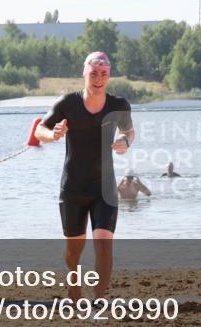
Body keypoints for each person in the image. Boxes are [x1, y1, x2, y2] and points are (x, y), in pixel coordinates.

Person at [35, 51, 134, 301]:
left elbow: (129, 131)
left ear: (109, 76)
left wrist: (125, 141)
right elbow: (39, 130)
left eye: (104, 74)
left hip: (104, 187)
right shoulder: (68, 103)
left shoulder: (119, 105)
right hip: (73, 187)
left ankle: (99, 299)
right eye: (94, 73)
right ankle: (74, 281)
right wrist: (53, 135)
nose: (98, 79)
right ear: (84, 73)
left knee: (103, 245)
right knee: (73, 252)